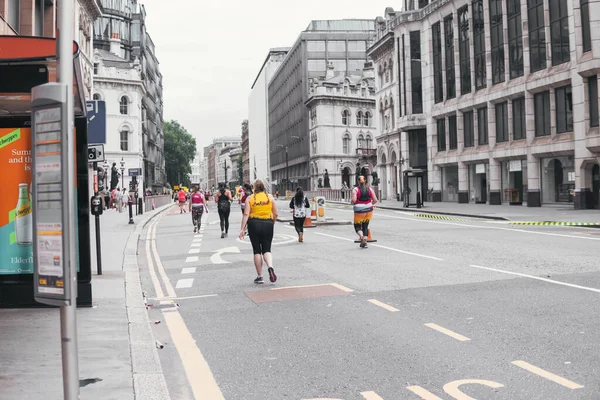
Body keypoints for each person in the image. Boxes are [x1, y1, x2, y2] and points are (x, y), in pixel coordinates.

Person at [240, 179, 278, 284]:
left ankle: (260, 276)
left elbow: (246, 214)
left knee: (257, 250)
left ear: (254, 188)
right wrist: (272, 222)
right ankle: (270, 267)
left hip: (254, 224)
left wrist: (242, 229)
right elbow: (276, 213)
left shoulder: (250, 198)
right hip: (268, 224)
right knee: (267, 249)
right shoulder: (270, 197)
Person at [351, 175, 378, 248]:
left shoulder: (355, 189)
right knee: (365, 226)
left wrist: (352, 202)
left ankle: (362, 237)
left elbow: (353, 200)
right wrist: (369, 205)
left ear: (358, 181)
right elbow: (375, 200)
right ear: (365, 180)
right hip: (369, 209)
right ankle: (365, 242)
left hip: (359, 210)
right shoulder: (370, 189)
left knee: (357, 226)